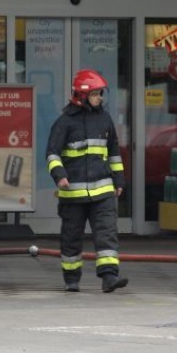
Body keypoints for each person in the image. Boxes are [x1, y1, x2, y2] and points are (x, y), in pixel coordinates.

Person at [46, 68, 127, 293]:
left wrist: (119, 180)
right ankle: (71, 278)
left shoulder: (105, 120)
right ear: (81, 95)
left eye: (100, 94)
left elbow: (113, 152)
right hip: (73, 194)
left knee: (107, 234)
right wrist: (60, 176)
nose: (100, 98)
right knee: (71, 238)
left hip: (103, 191)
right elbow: (52, 154)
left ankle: (110, 277)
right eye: (95, 94)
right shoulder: (64, 122)